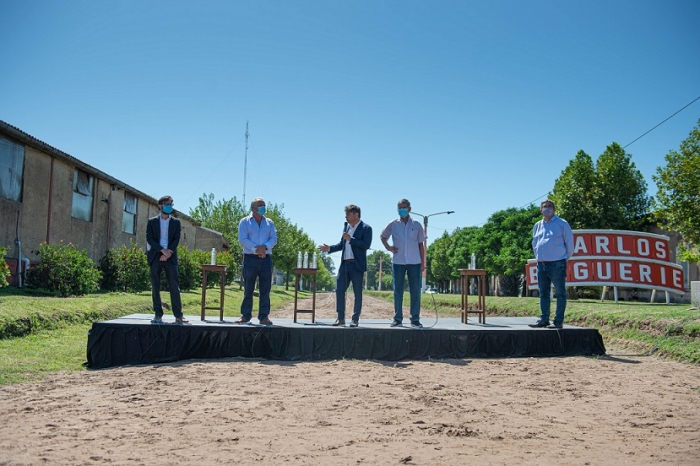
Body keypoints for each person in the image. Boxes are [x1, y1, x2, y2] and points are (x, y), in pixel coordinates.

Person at [319, 204, 372, 327]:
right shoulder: (347, 228)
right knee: (339, 290)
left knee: (357, 292)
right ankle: (340, 318)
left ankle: (355, 319)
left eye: (348, 214)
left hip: (357, 265)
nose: (346, 217)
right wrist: (329, 248)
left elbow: (366, 245)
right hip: (345, 265)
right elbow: (341, 245)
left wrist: (351, 239)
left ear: (356, 215)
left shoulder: (366, 228)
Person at [380, 199, 426, 328]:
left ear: (410, 209)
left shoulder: (416, 224)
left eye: (404, 207)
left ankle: (415, 319)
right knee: (398, 290)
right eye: (399, 207)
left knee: (415, 290)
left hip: (414, 262)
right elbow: (383, 236)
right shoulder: (393, 224)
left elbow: (421, 245)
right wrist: (389, 248)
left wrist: (423, 263)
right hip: (398, 262)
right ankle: (397, 319)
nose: (401, 210)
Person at [529, 199, 574, 329]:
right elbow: (535, 243)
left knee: (560, 293)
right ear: (540, 210)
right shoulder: (537, 225)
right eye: (544, 206)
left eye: (549, 206)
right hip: (541, 264)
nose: (547, 208)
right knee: (543, 293)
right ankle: (544, 319)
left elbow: (570, 245)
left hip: (557, 264)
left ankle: (558, 321)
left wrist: (563, 259)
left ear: (554, 209)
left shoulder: (562, 224)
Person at [237, 197, 277, 325]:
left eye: (264, 206)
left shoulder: (269, 223)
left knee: (265, 289)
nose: (263, 208)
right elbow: (243, 239)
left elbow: (273, 238)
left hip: (266, 259)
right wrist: (256, 250)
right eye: (261, 206)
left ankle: (264, 316)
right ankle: (245, 315)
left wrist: (264, 248)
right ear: (254, 208)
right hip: (250, 258)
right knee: (248, 288)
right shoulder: (244, 222)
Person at [146, 195, 186, 324]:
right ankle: (158, 314)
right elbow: (150, 238)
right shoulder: (152, 222)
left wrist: (169, 252)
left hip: (171, 256)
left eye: (171, 204)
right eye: (167, 204)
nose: (170, 206)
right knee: (155, 287)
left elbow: (176, 239)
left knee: (174, 286)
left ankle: (178, 315)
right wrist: (162, 251)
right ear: (160, 206)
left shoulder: (176, 222)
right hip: (156, 255)